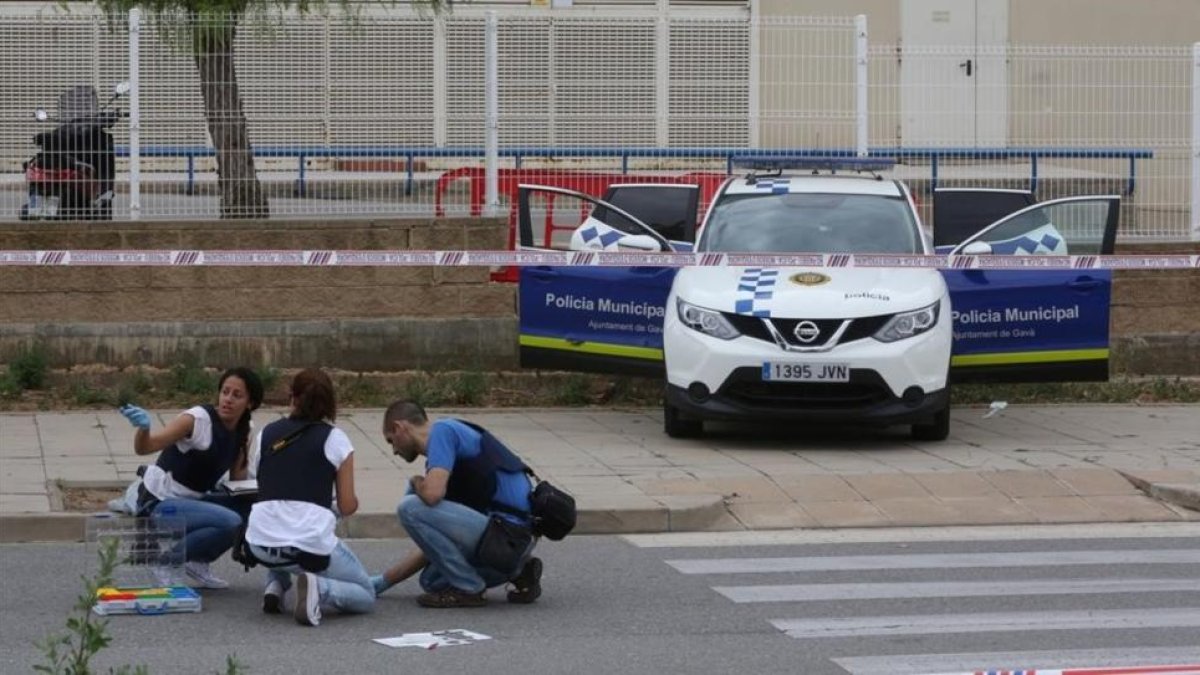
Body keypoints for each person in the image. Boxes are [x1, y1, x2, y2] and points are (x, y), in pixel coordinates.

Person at [372, 400, 543, 608]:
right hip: (507, 540)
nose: (394, 451)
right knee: (432, 581)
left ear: (399, 428)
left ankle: (470, 588)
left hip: (508, 534)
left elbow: (432, 495)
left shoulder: (443, 432)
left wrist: (416, 482)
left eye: (391, 441)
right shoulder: (445, 459)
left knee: (410, 507)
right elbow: (432, 543)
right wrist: (381, 583)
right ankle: (519, 571)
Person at [243, 368, 373, 627]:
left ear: (292, 397)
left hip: (260, 543)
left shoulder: (265, 434)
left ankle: (275, 586)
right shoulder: (336, 439)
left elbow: (262, 483)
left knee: (283, 513)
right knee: (366, 593)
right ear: (330, 403)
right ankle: (320, 587)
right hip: (307, 548)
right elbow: (347, 506)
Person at [118, 366, 264, 589]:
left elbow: (238, 483)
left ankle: (198, 561)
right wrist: (143, 428)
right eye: (225, 392)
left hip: (194, 502)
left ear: (250, 403)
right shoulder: (196, 420)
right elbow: (145, 447)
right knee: (230, 521)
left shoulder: (244, 429)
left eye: (237, 395)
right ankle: (166, 563)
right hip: (160, 504)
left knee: (250, 511)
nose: (228, 400)